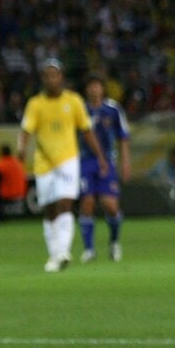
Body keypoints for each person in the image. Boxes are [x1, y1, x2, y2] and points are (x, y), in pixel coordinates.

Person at [16, 58, 108, 272]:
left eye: (54, 74)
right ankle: (54, 254)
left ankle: (64, 251)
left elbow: (86, 130)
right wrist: (21, 149)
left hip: (68, 160)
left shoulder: (73, 101)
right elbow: (26, 131)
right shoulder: (35, 104)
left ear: (61, 77)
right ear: (43, 79)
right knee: (50, 210)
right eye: (47, 75)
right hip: (44, 163)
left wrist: (101, 157)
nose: (51, 79)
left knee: (65, 203)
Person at [77, 73, 131, 262]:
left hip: (107, 161)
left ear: (102, 88)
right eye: (90, 86)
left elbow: (123, 137)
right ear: (86, 89)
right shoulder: (80, 109)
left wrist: (125, 162)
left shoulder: (113, 109)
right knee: (87, 203)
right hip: (84, 162)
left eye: (97, 85)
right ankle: (89, 250)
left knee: (110, 205)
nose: (94, 89)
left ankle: (114, 242)